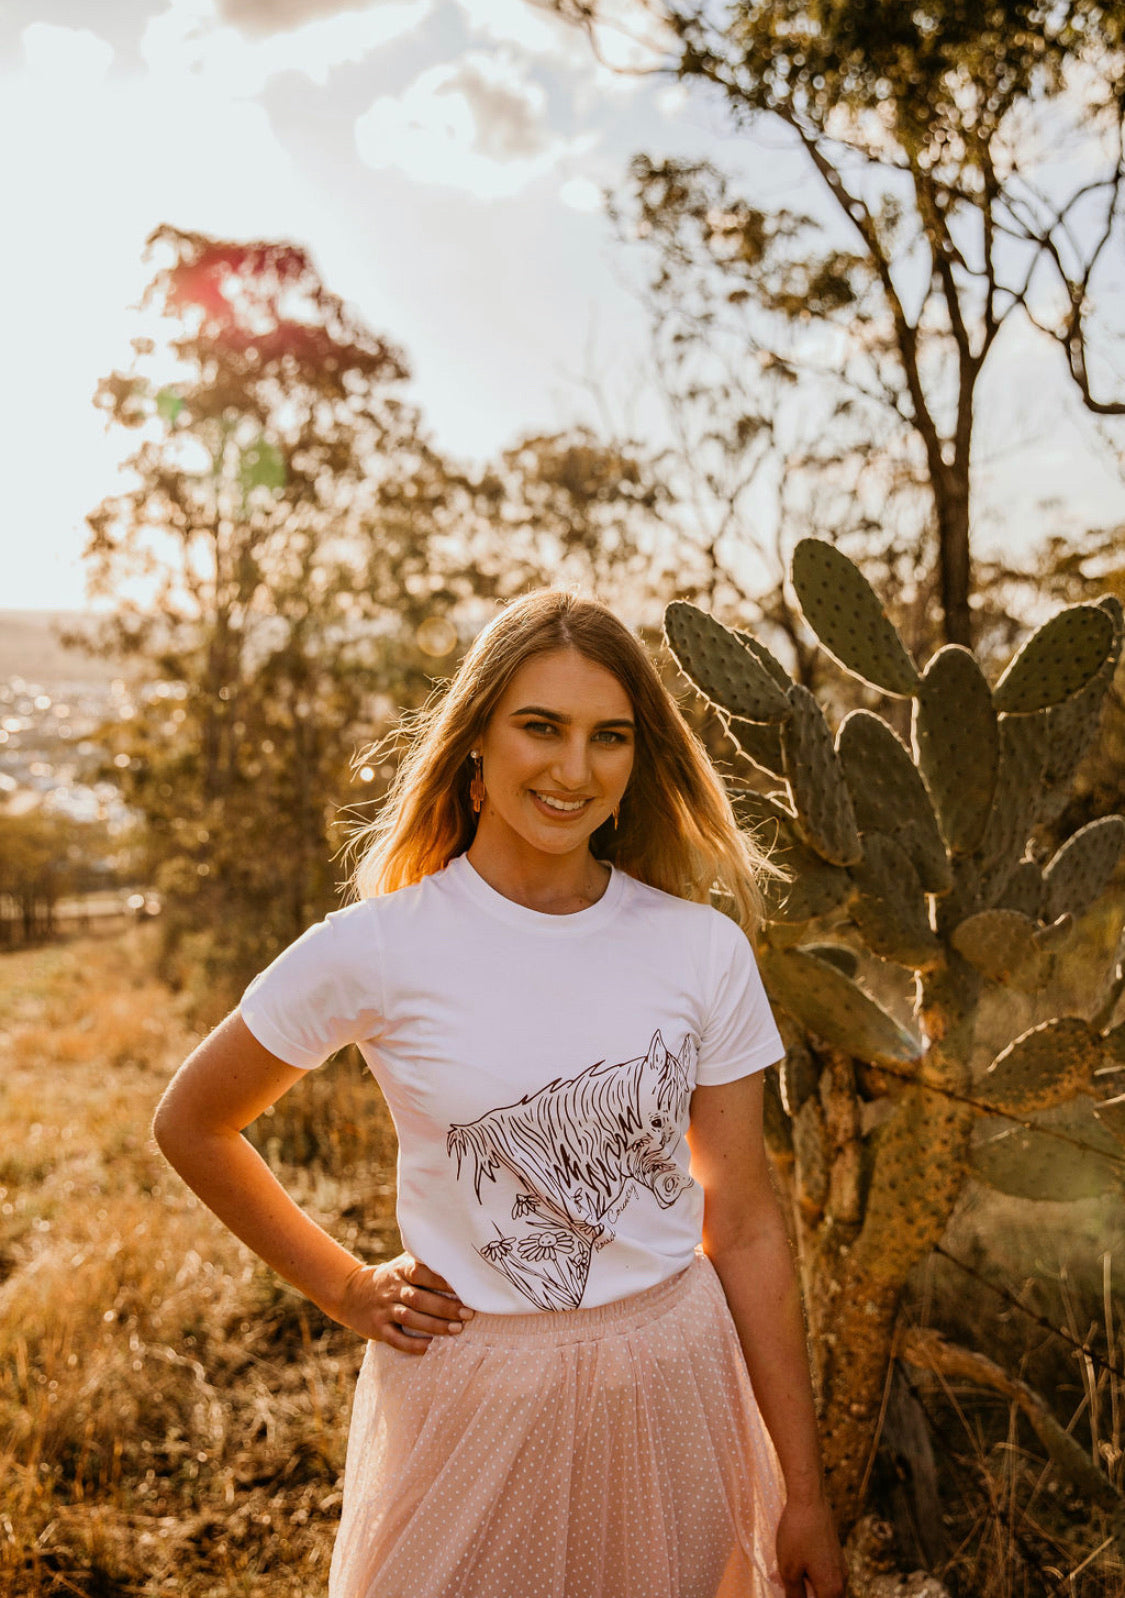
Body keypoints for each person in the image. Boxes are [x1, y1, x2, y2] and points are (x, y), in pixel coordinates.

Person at [153, 589, 848, 1598]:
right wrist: (344, 1285)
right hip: (475, 1400)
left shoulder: (702, 947)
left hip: (674, 1382)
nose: (574, 769)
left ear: (636, 758)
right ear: (475, 737)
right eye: (540, 726)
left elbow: (742, 1222)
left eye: (609, 736)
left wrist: (806, 1491)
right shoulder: (378, 946)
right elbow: (193, 1120)